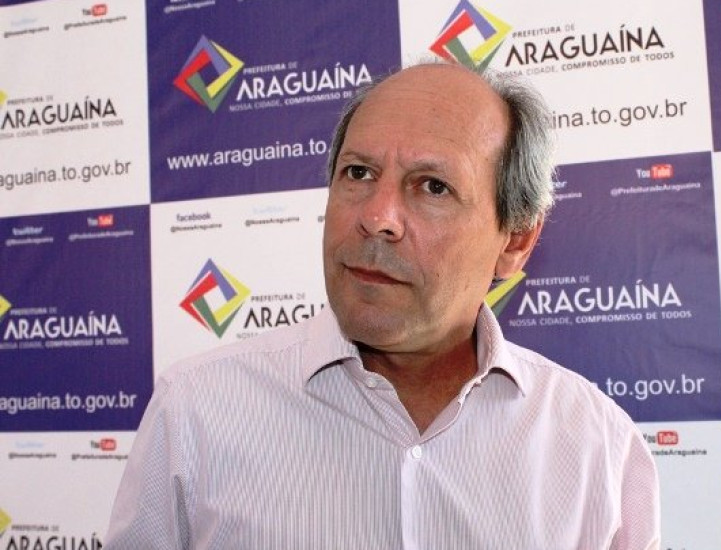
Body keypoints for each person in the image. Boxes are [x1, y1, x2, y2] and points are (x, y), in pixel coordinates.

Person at [104, 61, 660, 549]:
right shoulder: (195, 412)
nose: (377, 217)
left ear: (515, 240)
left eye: (433, 186)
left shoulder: (599, 450)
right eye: (359, 173)